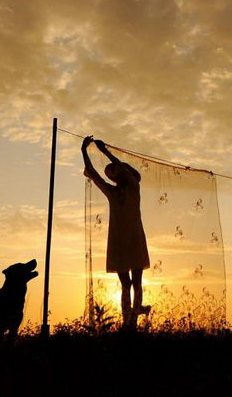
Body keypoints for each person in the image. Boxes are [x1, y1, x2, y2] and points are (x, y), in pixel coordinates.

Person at [81, 135, 150, 329]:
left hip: (124, 241)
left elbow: (99, 172)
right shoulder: (127, 189)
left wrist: (89, 151)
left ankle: (131, 321)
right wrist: (95, 151)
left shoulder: (129, 188)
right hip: (127, 240)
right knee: (132, 283)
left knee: (132, 283)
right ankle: (131, 320)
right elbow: (94, 173)